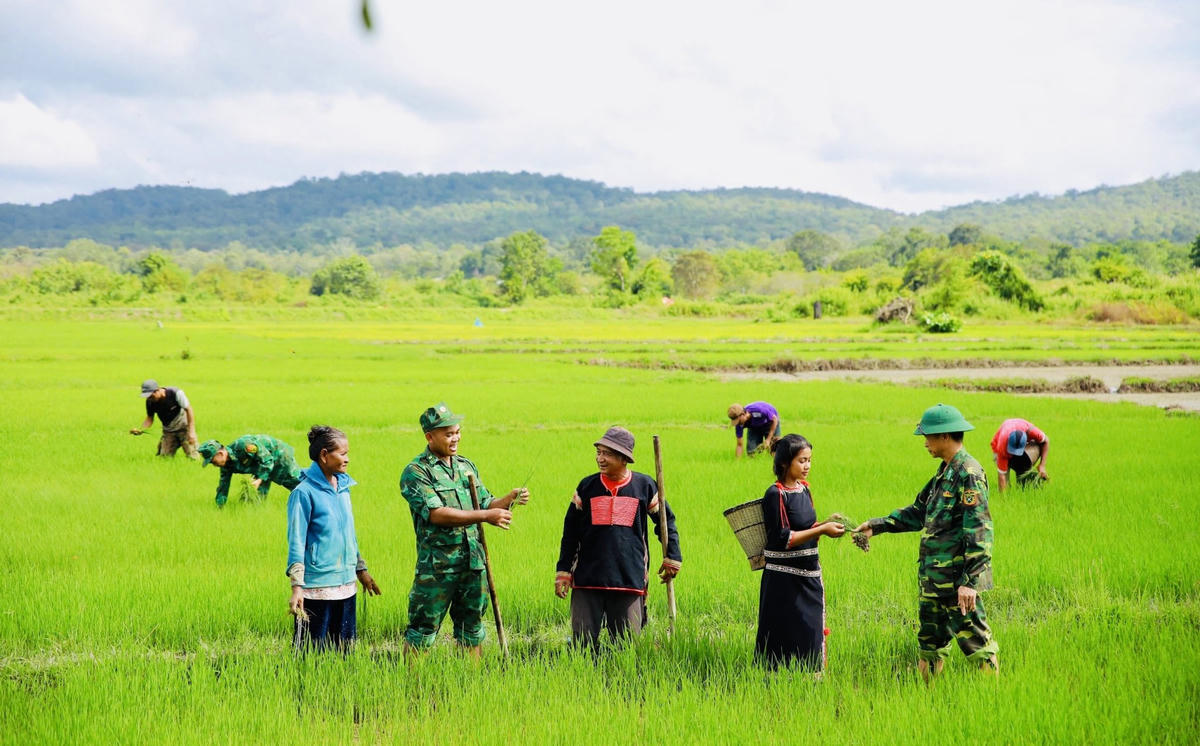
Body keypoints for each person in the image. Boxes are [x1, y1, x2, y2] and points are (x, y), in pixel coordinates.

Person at [854, 404, 999, 681]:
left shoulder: (968, 473)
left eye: (928, 436)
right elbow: (918, 512)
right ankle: (927, 700)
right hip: (933, 580)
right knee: (930, 647)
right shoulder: (943, 473)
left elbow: (980, 531)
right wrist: (876, 526)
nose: (925, 443)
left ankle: (992, 704)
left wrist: (970, 582)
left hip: (958, 582)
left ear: (944, 436)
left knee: (978, 646)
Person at [399, 403, 529, 656]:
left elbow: (486, 502)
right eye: (448, 434)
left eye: (457, 431)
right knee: (423, 629)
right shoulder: (416, 472)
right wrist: (486, 516)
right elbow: (436, 514)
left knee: (472, 627)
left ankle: (471, 682)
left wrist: (509, 499)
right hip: (437, 568)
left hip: (473, 563)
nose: (455, 438)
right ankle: (411, 687)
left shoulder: (465, 466)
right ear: (430, 436)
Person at [554, 426, 682, 650]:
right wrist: (564, 572)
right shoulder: (587, 486)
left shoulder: (644, 486)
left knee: (625, 646)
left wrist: (672, 556)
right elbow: (570, 532)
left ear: (624, 458)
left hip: (628, 578)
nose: (600, 459)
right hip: (587, 578)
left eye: (608, 454)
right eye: (599, 452)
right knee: (582, 644)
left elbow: (665, 522)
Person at [755, 434, 845, 671]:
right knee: (781, 631)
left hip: (809, 573)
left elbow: (808, 528)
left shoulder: (804, 490)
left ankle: (810, 680)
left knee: (810, 628)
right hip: (782, 579)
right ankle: (773, 680)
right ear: (785, 463)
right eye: (802, 461)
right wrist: (823, 530)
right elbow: (782, 538)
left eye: (809, 460)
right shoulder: (775, 494)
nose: (807, 466)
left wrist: (826, 523)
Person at [286, 425, 381, 650]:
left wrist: (361, 570)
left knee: (343, 650)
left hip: (346, 584)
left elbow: (348, 534)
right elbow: (296, 542)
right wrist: (297, 587)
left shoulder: (343, 487)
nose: (347, 459)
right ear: (324, 455)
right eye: (343, 453)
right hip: (317, 586)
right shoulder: (303, 493)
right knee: (310, 651)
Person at [198, 434, 302, 507]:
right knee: (252, 501)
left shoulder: (245, 446)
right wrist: (219, 507)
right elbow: (223, 486)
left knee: (297, 485)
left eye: (213, 461)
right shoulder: (226, 465)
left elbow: (267, 460)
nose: (213, 465)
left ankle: (314, 503)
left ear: (220, 454)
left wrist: (259, 479)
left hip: (279, 456)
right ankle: (256, 515)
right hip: (261, 468)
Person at [131, 379, 199, 459]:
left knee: (193, 457)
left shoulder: (175, 393)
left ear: (158, 390)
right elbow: (149, 419)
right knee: (164, 458)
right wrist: (140, 429)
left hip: (184, 428)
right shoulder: (150, 402)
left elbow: (189, 409)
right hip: (168, 431)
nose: (150, 398)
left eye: (151, 396)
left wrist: (191, 432)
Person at [990, 418, 1049, 490]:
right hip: (1000, 444)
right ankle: (1008, 490)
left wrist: (1042, 465)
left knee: (1023, 466)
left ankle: (1025, 480)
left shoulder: (1032, 432)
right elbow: (1001, 475)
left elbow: (1046, 441)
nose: (1014, 454)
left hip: (1021, 431)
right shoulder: (1002, 446)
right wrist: (1003, 499)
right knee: (1005, 479)